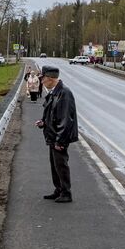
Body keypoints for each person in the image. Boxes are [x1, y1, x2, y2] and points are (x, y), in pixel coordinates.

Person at [35, 65, 78, 203]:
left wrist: (60, 141)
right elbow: (52, 114)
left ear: (50, 78)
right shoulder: (55, 92)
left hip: (59, 138)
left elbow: (66, 120)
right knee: (55, 165)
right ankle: (58, 190)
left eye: (43, 79)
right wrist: (43, 122)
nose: (41, 82)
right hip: (53, 136)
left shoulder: (64, 93)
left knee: (61, 165)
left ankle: (66, 192)